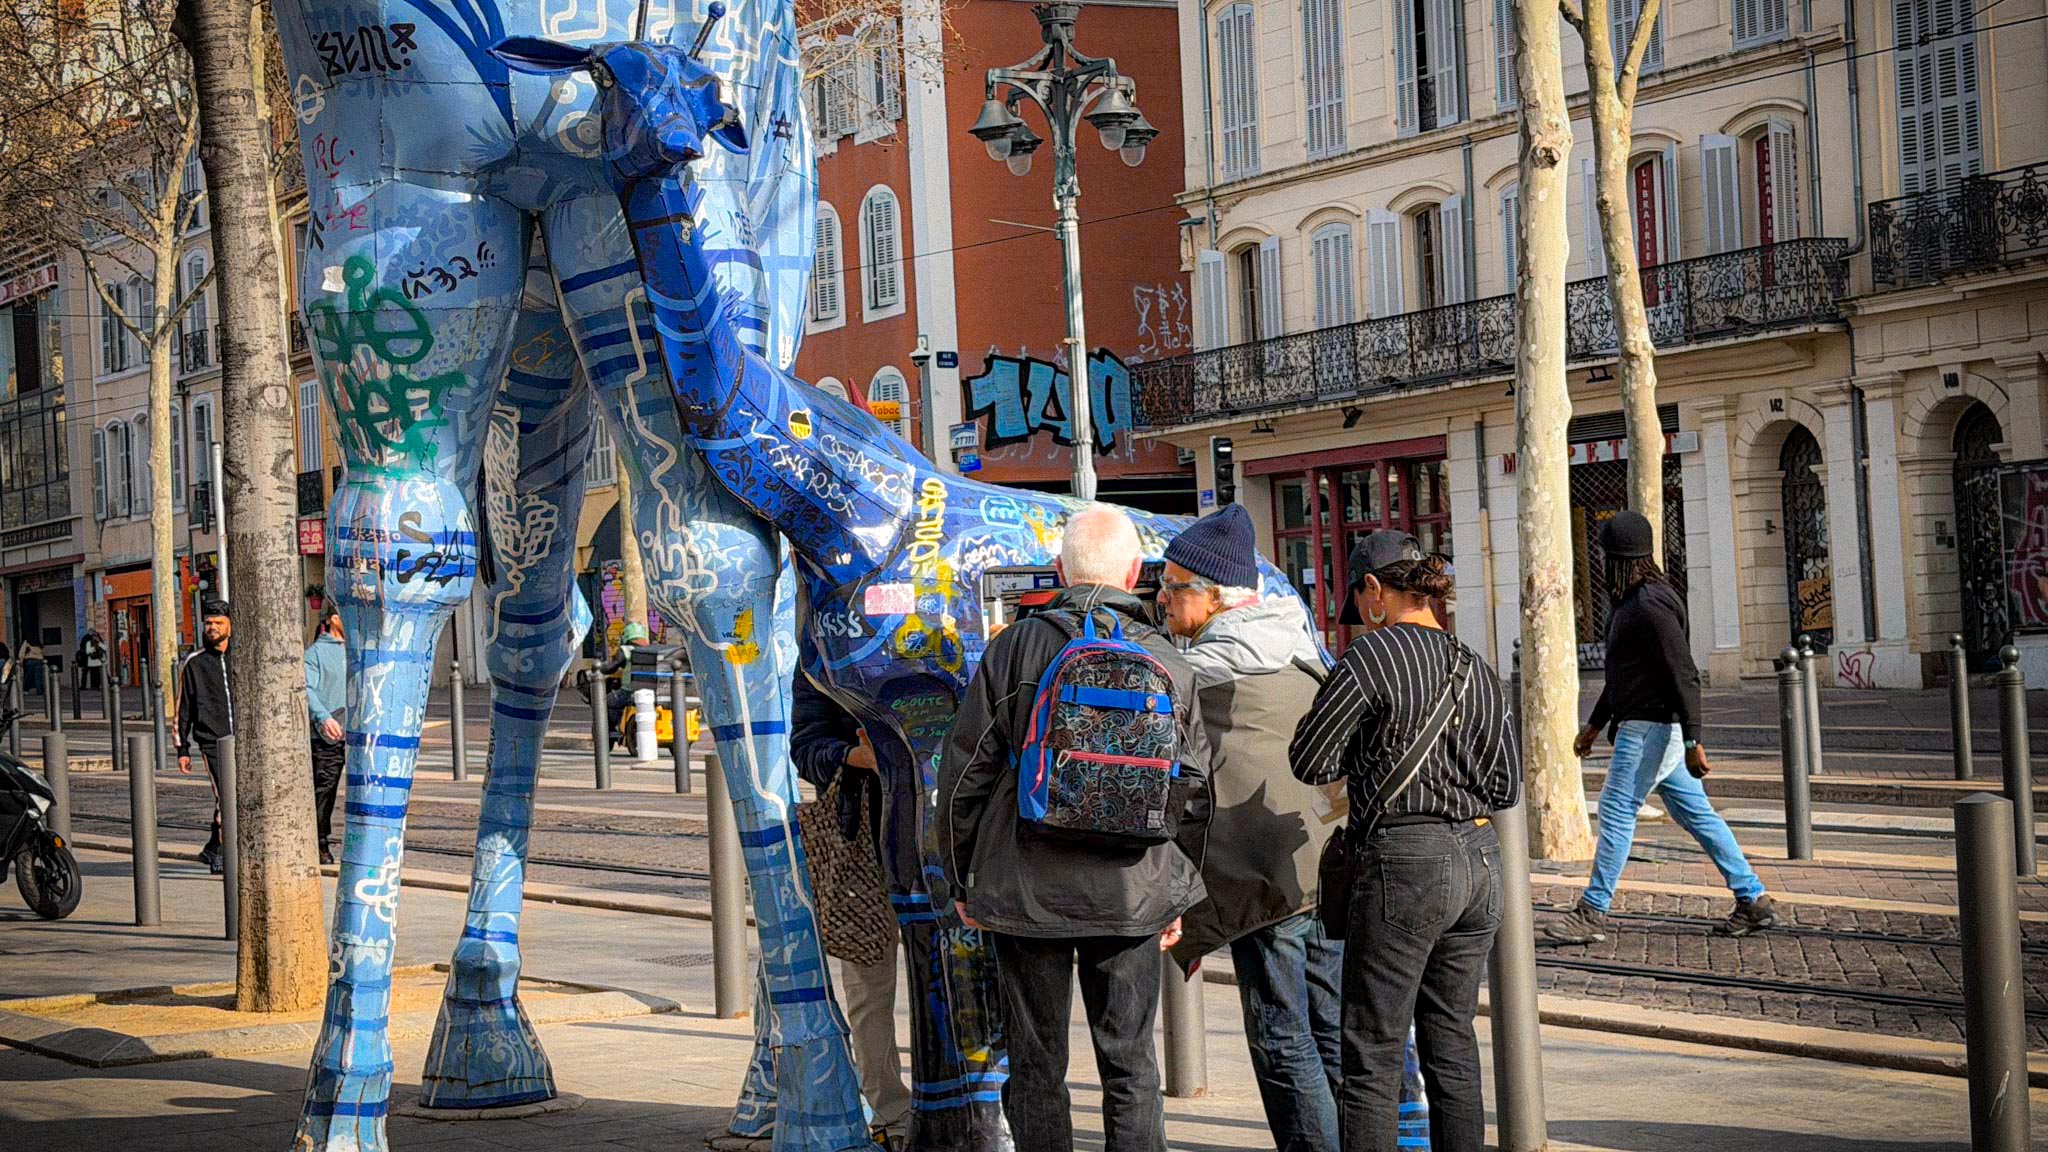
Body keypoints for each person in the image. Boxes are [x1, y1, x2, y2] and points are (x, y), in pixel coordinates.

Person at [938, 504, 1213, 1152]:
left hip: (1026, 889)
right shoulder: (1167, 661)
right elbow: (1196, 787)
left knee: (1037, 1067)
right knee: (1131, 1065)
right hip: (1131, 893)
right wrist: (1178, 892)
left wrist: (961, 876)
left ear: (1060, 569)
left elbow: (965, 773)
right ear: (1137, 571)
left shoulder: (1015, 648)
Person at [1289, 531, 1519, 1152]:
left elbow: (1309, 760)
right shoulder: (1478, 665)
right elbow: (1507, 786)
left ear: (1374, 591)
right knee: (1452, 1042)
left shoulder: (1372, 657)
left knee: (1373, 1049)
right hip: (1480, 859)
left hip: (1404, 863)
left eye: (1359, 601)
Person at [1156, 503, 1344, 1152]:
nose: (1162, 597)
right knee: (1331, 1028)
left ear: (1212, 597)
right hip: (1324, 860)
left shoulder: (1202, 673)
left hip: (1264, 883)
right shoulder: (1297, 644)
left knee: (1281, 1038)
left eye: (1173, 585)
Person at [1546, 511, 1778, 943]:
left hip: (1651, 728)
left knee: (1616, 811)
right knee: (1697, 814)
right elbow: (1625, 675)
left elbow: (1683, 673)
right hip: (1652, 727)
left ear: (1615, 558)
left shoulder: (1648, 606)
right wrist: (1594, 727)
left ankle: (1592, 911)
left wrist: (1694, 740)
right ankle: (1753, 898)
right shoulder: (1637, 600)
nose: (1599, 563)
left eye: (1603, 555)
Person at [791, 655, 908, 1149]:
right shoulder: (824, 653)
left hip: (941, 839)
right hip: (861, 841)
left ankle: (958, 1103)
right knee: (869, 986)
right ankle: (892, 1114)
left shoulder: (944, 638)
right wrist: (853, 757)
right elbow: (806, 747)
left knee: (951, 983)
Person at [175, 600, 235, 874]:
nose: (212, 627)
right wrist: (182, 748)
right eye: (208, 623)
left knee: (236, 794)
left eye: (218, 623)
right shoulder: (194, 663)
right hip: (212, 741)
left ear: (230, 627)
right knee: (226, 795)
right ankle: (222, 853)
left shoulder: (241, 656)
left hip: (243, 740)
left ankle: (212, 845)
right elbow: (182, 707)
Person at [304, 606, 347, 865]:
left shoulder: (359, 650)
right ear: (334, 619)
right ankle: (320, 841)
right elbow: (307, 690)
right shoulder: (315, 654)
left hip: (357, 735)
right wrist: (323, 717)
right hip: (327, 736)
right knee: (325, 790)